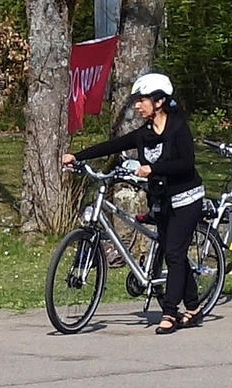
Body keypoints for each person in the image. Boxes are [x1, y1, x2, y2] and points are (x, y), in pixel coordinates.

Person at [64, 72, 206, 332]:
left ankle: (170, 314)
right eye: (137, 101)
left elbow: (186, 164)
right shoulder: (144, 134)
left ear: (159, 101)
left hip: (186, 198)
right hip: (162, 198)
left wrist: (153, 169)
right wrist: (78, 156)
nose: (138, 105)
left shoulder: (178, 128)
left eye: (142, 100)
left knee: (173, 252)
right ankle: (194, 307)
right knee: (174, 252)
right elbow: (113, 145)